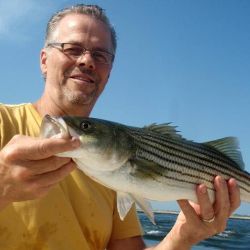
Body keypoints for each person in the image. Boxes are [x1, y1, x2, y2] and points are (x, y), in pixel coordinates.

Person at [0, 4, 240, 250]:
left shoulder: (112, 177)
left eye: (100, 55)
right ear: (44, 60)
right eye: (72, 49)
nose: (87, 61)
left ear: (109, 71)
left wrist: (183, 237)